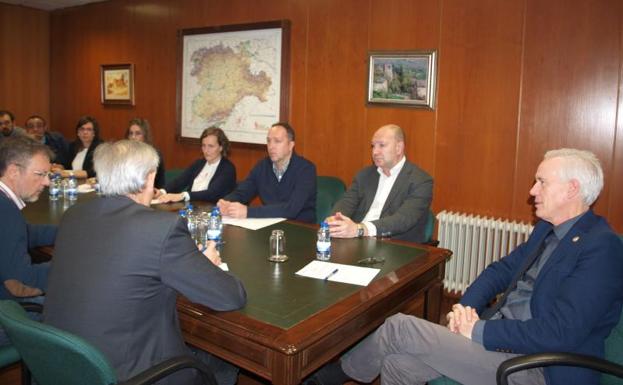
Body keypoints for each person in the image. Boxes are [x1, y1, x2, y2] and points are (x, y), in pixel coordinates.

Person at [309, 148, 623, 385]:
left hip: (537, 367)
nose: (532, 191)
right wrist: (466, 308)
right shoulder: (546, 229)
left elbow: (561, 333)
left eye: (541, 182)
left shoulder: (602, 247)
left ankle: (335, 375)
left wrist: (479, 330)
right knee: (397, 362)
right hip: (501, 340)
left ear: (571, 189)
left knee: (399, 326)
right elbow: (500, 271)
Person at [43, 140, 247, 385]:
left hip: (62, 360)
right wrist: (209, 266)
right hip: (127, 373)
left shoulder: (74, 215)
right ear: (149, 179)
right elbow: (230, 296)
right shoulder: (161, 229)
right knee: (223, 362)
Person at [327, 124, 433, 243]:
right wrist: (335, 219)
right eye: (373, 146)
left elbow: (403, 220)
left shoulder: (421, 181)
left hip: (395, 246)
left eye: (381, 145)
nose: (375, 151)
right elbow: (346, 202)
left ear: (399, 147)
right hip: (357, 240)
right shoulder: (365, 175)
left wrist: (360, 229)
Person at [0, 136, 55, 344]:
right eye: (40, 174)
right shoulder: (5, 209)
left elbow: (23, 232)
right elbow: (20, 284)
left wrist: (68, 230)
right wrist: (73, 264)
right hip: (5, 314)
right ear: (14, 171)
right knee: (74, 303)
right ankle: (49, 374)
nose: (47, 182)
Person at [217, 122, 316, 223]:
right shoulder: (262, 166)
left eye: (277, 141)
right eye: (268, 141)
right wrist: (226, 202)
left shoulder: (306, 169)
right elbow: (243, 192)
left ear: (291, 145)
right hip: (269, 224)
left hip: (299, 228)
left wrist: (248, 212)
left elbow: (291, 209)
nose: (271, 146)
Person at [156, 127, 236, 203]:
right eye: (203, 146)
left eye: (211, 146)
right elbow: (180, 181)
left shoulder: (228, 169)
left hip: (212, 210)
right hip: (191, 207)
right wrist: (162, 192)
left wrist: (183, 195)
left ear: (221, 147)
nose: (206, 150)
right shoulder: (199, 163)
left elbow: (212, 193)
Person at [125, 118, 166, 189]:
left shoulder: (155, 155)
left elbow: (161, 185)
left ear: (145, 136)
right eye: (131, 133)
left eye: (137, 133)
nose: (133, 137)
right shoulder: (123, 154)